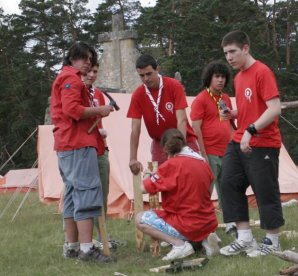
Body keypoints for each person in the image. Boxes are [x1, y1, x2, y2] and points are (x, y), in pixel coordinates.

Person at [218, 30, 284, 257]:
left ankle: (273, 240)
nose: (229, 57)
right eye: (225, 53)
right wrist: (235, 114)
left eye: (233, 51)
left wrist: (251, 129)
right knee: (227, 182)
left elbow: (274, 108)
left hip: (263, 142)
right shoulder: (238, 77)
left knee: (264, 189)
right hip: (239, 140)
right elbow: (250, 106)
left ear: (245, 48)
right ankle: (244, 237)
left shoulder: (262, 72)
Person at [51, 42, 114, 262]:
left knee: (71, 195)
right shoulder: (71, 79)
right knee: (86, 192)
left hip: (67, 144)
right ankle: (87, 249)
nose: (88, 62)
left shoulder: (67, 78)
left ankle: (72, 246)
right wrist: (100, 110)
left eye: (90, 59)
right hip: (77, 144)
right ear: (72, 59)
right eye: (84, 58)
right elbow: (72, 110)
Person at [135, 129, 218, 261]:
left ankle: (179, 245)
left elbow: (143, 188)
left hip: (186, 223)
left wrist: (146, 175)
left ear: (166, 150)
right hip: (208, 221)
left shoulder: (171, 165)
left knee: (140, 219)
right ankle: (202, 240)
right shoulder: (202, 162)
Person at [128, 54, 199, 173]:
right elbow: (135, 128)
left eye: (149, 74)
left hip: (184, 139)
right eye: (142, 75)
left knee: (190, 177)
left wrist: (181, 147)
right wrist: (132, 158)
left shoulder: (174, 86)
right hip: (160, 143)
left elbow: (181, 119)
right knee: (162, 181)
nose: (146, 79)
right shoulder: (138, 95)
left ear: (157, 69)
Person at [190, 60, 237, 236]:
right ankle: (201, 226)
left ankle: (231, 224)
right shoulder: (200, 99)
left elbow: (230, 124)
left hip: (227, 151)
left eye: (223, 77)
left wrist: (235, 146)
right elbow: (195, 129)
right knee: (205, 192)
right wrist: (202, 154)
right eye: (217, 76)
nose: (220, 80)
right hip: (208, 152)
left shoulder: (225, 99)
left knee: (228, 188)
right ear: (209, 78)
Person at [82, 64, 119, 249]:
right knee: (85, 195)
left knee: (103, 193)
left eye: (95, 72)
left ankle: (102, 234)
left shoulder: (97, 94)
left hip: (100, 149)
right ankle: (80, 241)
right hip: (82, 151)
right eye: (88, 71)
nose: (91, 75)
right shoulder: (77, 92)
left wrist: (101, 131)